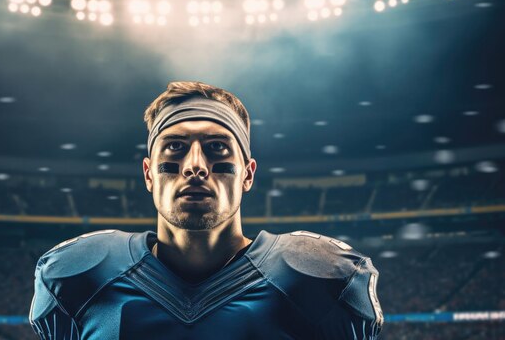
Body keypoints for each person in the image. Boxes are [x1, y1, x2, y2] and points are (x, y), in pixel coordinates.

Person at [29, 81, 384, 339]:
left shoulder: (322, 278)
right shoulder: (79, 277)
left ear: (247, 174)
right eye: (174, 148)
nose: (195, 165)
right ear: (149, 173)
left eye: (217, 147)